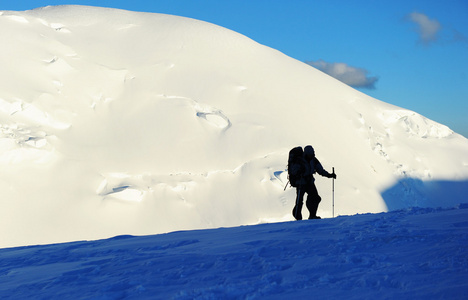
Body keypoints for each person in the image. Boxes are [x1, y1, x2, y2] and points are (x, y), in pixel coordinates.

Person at [292, 145, 336, 220]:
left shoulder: (313, 159)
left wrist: (329, 175)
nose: (311, 155)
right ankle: (300, 216)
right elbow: (294, 171)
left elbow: (320, 170)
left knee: (315, 198)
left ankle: (311, 215)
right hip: (301, 182)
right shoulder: (300, 160)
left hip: (308, 182)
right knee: (300, 201)